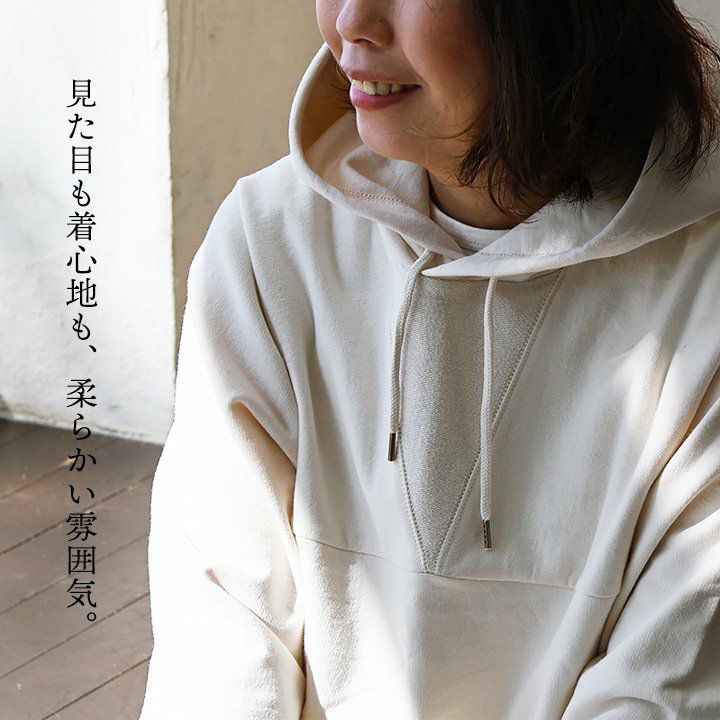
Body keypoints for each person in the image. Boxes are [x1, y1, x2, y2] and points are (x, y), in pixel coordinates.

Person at [139, 1, 720, 718]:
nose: (352, 21)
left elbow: (668, 684)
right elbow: (220, 628)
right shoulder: (270, 239)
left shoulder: (703, 282)